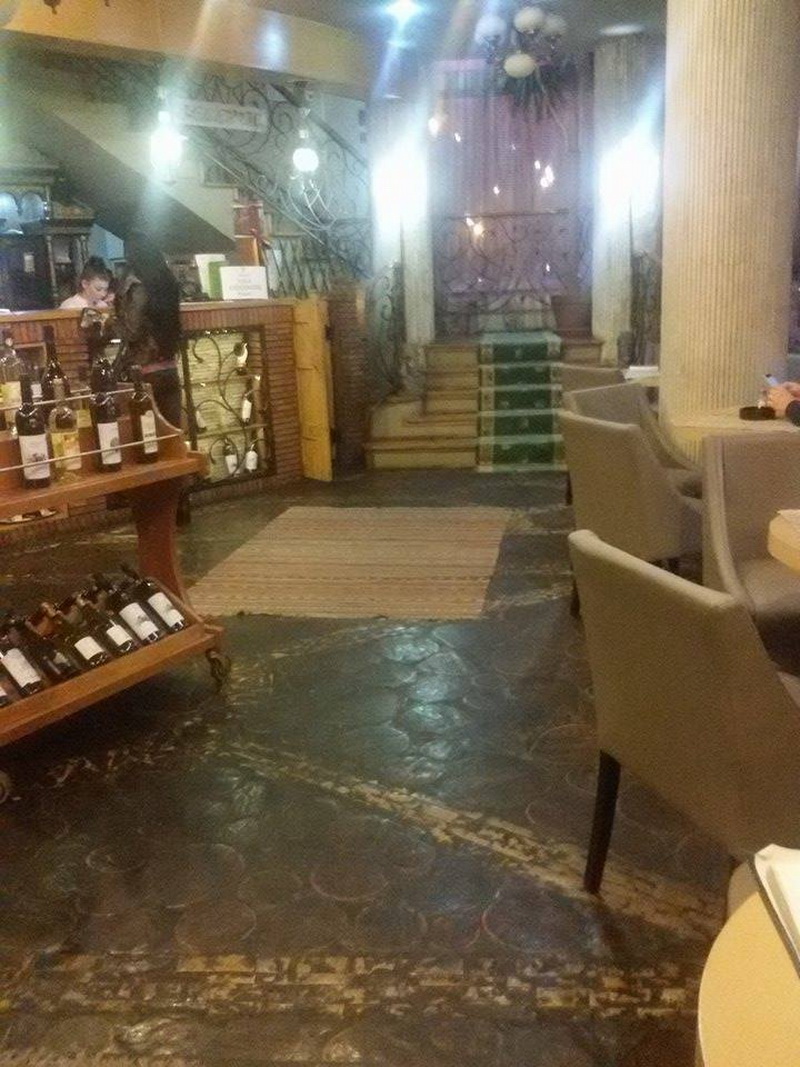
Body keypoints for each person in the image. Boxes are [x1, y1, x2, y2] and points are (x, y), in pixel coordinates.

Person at [115, 233, 183, 428]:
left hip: (144, 369)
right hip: (169, 366)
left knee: (147, 435)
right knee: (173, 433)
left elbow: (132, 330)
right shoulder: (167, 282)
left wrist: (112, 323)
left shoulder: (136, 286)